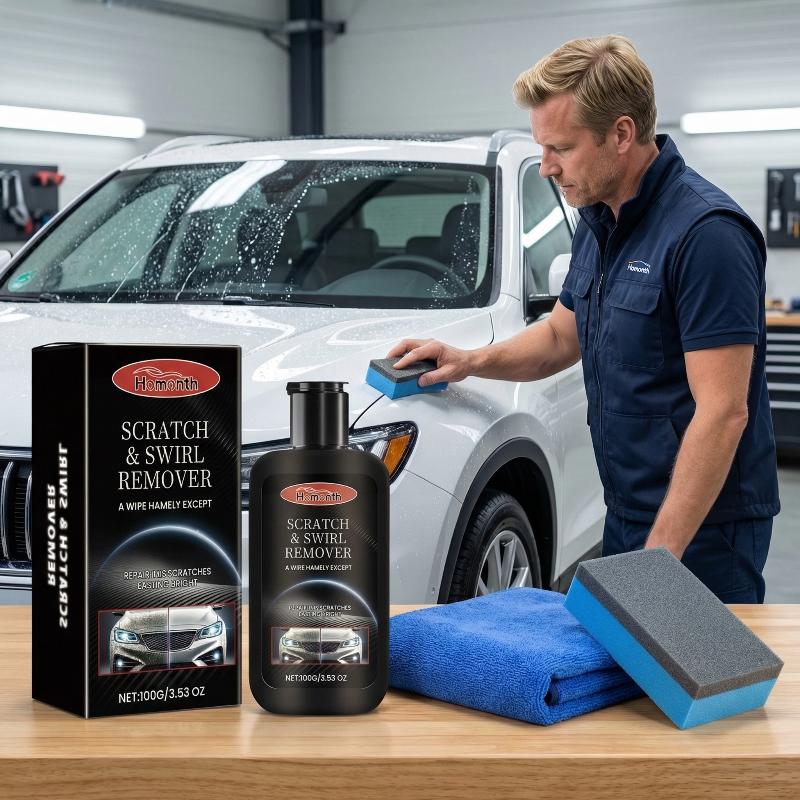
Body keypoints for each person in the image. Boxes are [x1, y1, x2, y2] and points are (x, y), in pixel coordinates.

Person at [388, 35, 779, 603]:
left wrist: (656, 562)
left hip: (705, 530)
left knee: (698, 663)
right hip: (625, 511)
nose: (547, 167)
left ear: (621, 134)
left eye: (561, 148)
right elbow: (558, 335)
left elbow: (723, 413)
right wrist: (468, 361)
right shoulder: (600, 223)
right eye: (542, 148)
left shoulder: (707, 235)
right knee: (624, 660)